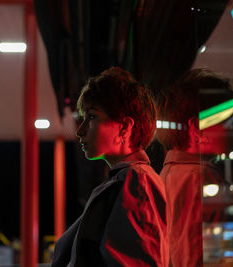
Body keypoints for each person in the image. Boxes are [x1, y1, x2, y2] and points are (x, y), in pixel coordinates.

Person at [51, 66, 168, 267]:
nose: (80, 130)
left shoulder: (136, 181)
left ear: (125, 127)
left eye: (92, 117)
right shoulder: (128, 180)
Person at [156, 68, 233, 267]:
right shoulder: (200, 177)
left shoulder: (167, 174)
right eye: (230, 122)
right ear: (197, 129)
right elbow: (199, 255)